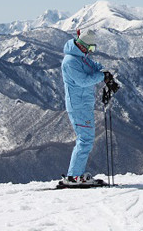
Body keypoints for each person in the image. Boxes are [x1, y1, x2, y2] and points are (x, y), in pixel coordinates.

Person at [60, 28, 119, 186]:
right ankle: (74, 177)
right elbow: (83, 81)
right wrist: (102, 76)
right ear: (83, 46)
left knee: (86, 139)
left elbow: (96, 65)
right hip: (77, 105)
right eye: (91, 48)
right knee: (85, 139)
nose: (91, 52)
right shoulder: (70, 61)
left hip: (84, 104)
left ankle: (75, 175)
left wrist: (106, 74)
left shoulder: (82, 58)